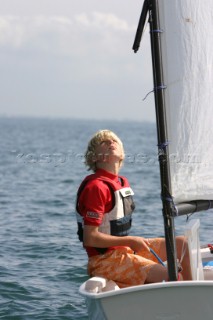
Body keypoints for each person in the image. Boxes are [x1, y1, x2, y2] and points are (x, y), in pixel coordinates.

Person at [76, 129, 192, 288]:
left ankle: (191, 293)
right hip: (105, 261)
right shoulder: (96, 187)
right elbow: (90, 238)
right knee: (171, 275)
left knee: (182, 244)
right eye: (103, 142)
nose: (111, 143)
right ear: (94, 157)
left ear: (122, 154)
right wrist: (131, 241)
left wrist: (130, 244)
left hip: (125, 251)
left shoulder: (122, 182)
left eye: (114, 141)